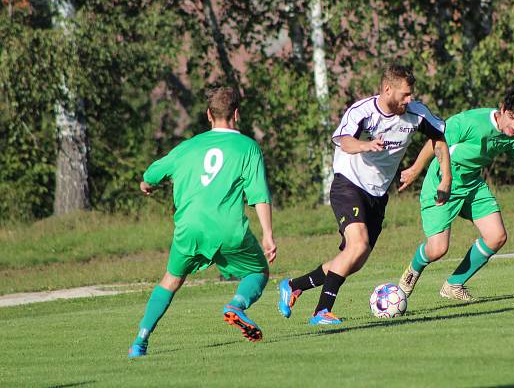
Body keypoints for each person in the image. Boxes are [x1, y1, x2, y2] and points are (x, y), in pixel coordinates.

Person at [277, 63, 451, 326]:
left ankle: (294, 285)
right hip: (348, 183)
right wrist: (366, 145)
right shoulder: (364, 112)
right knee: (357, 246)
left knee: (354, 259)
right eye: (405, 94)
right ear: (387, 89)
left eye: (411, 94)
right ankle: (321, 311)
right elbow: (344, 140)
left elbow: (438, 137)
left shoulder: (416, 114)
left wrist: (444, 178)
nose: (410, 99)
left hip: (378, 195)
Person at [127, 86, 276, 358]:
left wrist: (147, 185)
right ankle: (236, 306)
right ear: (236, 114)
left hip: (189, 229)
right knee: (258, 272)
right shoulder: (248, 147)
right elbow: (258, 194)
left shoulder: (188, 147)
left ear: (209, 115)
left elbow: (151, 174)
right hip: (228, 229)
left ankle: (140, 340)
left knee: (170, 280)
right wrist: (267, 234)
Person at [396, 85, 514, 302]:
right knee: (438, 249)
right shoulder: (470, 121)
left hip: (472, 185)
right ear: (502, 109)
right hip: (441, 184)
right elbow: (436, 140)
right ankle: (411, 272)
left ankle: (453, 284)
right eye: (513, 118)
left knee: (497, 236)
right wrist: (415, 170)